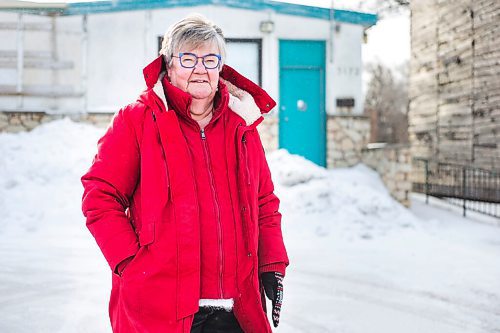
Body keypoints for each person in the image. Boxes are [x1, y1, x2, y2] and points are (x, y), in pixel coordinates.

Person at [81, 13, 289, 333]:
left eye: (210, 59)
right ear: (169, 64)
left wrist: (271, 264)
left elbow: (264, 202)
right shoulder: (137, 120)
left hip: (235, 308)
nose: (200, 68)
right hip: (160, 307)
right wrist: (130, 264)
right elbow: (100, 196)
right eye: (188, 58)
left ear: (221, 67)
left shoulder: (241, 126)